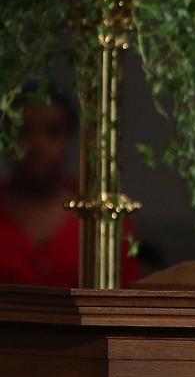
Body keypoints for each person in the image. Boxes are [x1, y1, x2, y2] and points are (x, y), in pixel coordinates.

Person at [0, 84, 139, 286]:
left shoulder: (101, 211)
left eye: (53, 132)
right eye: (24, 130)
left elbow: (125, 297)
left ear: (70, 137)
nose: (38, 143)